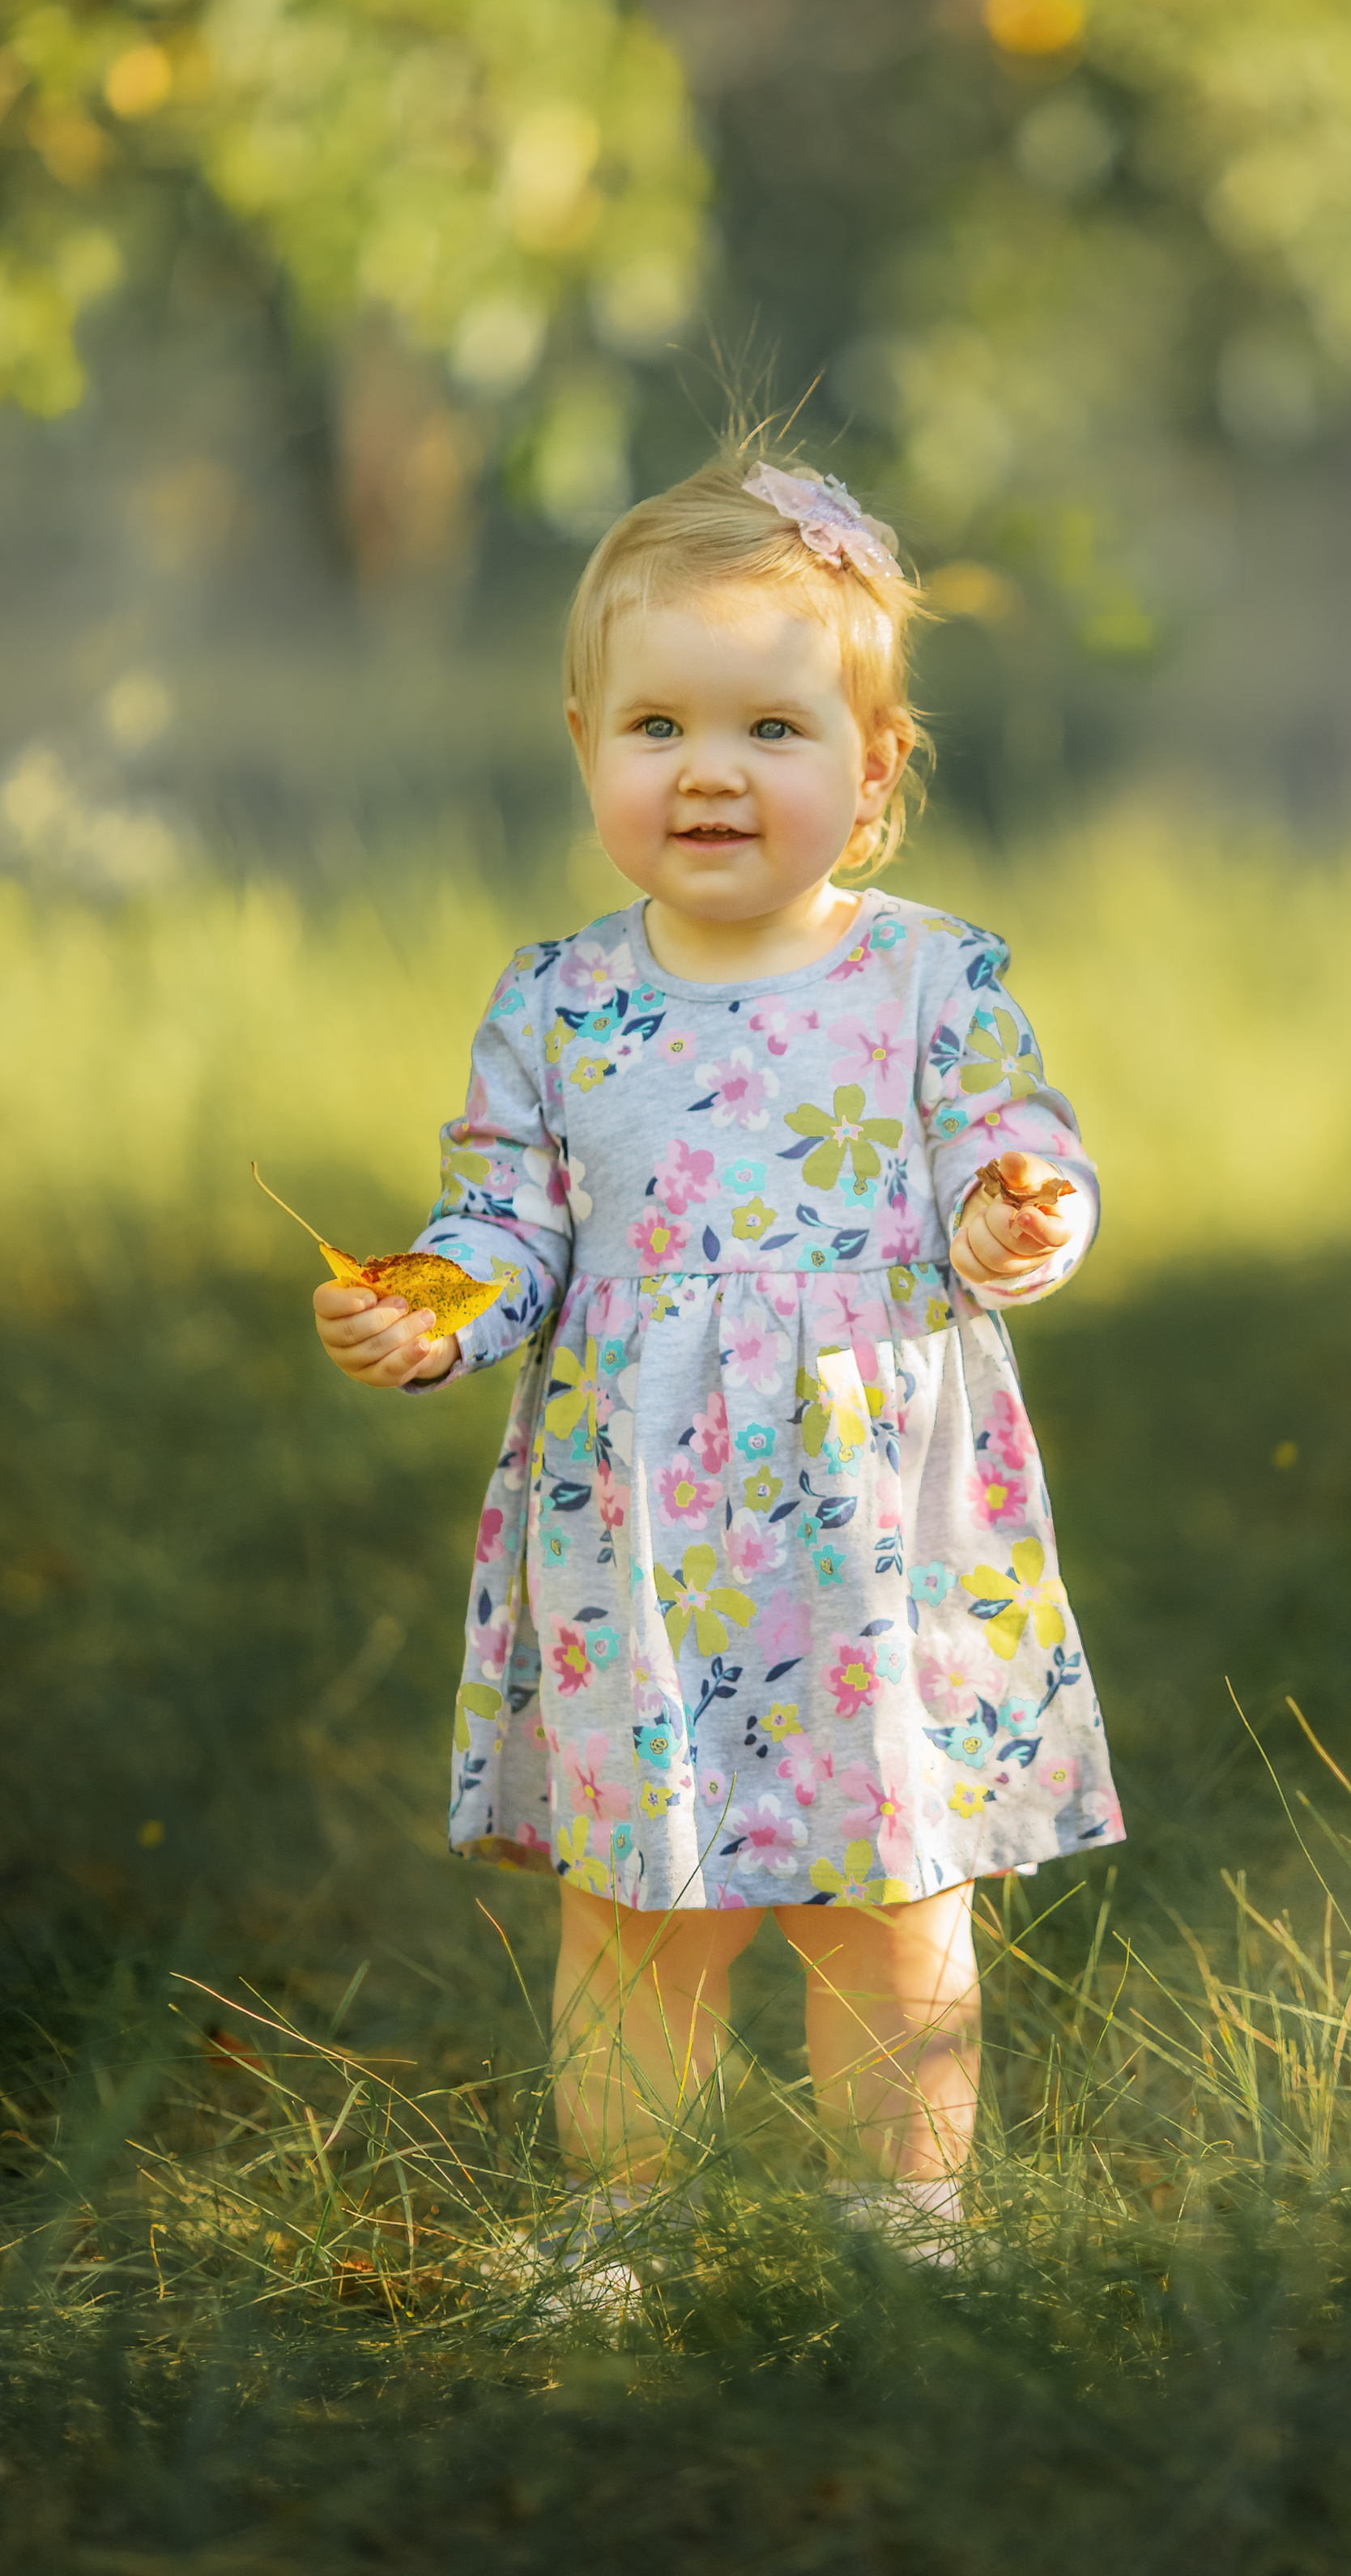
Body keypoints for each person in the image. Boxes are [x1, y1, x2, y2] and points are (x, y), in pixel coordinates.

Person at [309, 447, 1122, 2289]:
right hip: (643, 1547)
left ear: (873, 765)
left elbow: (1008, 1148)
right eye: (658, 724)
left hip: (873, 1539)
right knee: (636, 1909)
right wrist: (438, 1297)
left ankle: (905, 2225)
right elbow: (511, 1215)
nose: (710, 772)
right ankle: (617, 2224)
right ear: (585, 739)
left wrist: (1017, 1220)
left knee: (889, 1896)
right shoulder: (561, 1002)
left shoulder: (930, 983)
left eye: (770, 727)